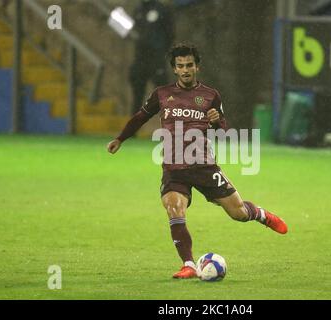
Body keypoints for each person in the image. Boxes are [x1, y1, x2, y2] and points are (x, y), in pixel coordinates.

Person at [107, 44, 288, 279]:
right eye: (180, 66)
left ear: (197, 66)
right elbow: (140, 117)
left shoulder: (211, 95)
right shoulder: (161, 94)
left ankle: (262, 215)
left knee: (238, 213)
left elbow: (224, 131)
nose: (185, 70)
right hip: (174, 168)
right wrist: (121, 138)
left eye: (189, 65)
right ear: (174, 69)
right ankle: (189, 265)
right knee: (174, 208)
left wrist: (217, 119)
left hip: (203, 165)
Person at [129, 0, 174, 115]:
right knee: (137, 92)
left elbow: (170, 34)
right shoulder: (138, 10)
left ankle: (171, 125)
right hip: (140, 57)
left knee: (163, 93)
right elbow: (134, 31)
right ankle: (133, 127)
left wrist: (161, 50)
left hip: (156, 57)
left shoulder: (161, 9)